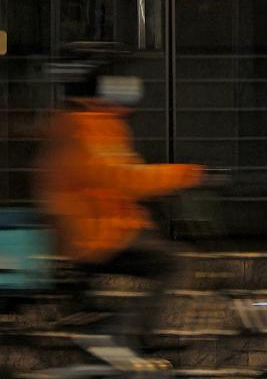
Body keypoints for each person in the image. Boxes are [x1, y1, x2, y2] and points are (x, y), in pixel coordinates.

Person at [36, 69, 203, 354]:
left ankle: (114, 335)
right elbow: (121, 177)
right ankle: (131, 335)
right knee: (172, 263)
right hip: (95, 235)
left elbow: (122, 176)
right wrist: (184, 175)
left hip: (100, 228)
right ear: (96, 96)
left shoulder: (86, 124)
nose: (125, 103)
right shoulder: (84, 128)